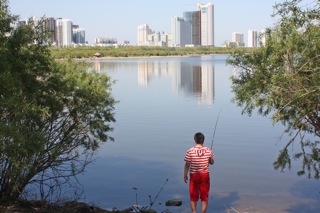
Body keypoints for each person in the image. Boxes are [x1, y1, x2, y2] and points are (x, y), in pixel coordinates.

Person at [184, 132, 214, 213]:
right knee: (204, 195)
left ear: (194, 140)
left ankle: (194, 212)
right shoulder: (208, 150)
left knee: (193, 195)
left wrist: (185, 174)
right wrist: (211, 159)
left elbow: (187, 164)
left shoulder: (190, 151)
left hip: (194, 176)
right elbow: (211, 162)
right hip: (205, 175)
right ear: (203, 141)